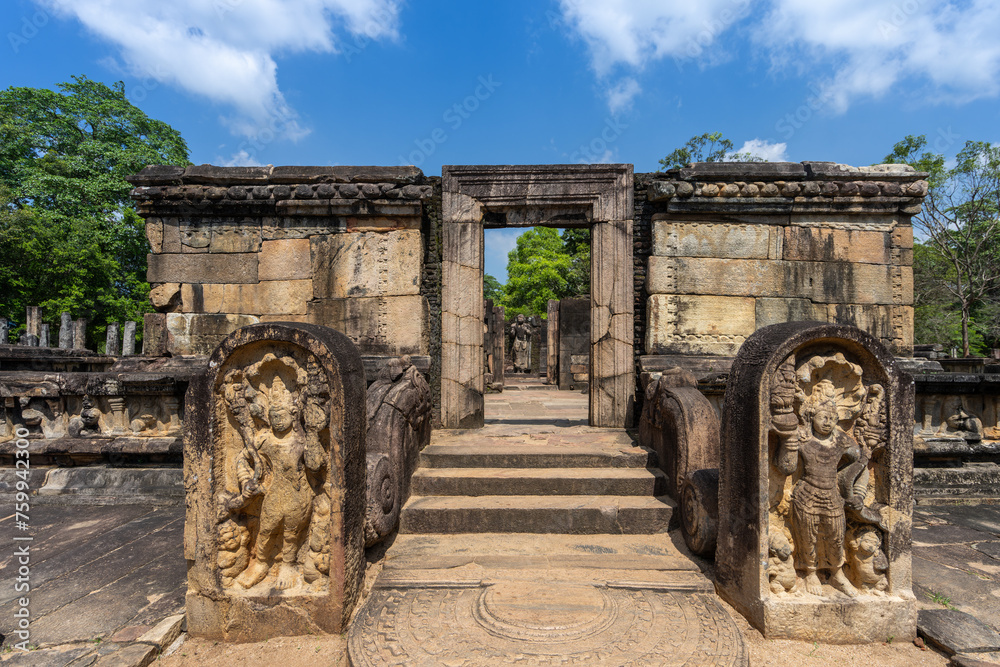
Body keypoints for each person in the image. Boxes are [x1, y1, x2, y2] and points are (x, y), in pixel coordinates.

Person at [775, 379, 858, 597]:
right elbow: (786, 467)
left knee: (836, 535)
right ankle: (810, 572)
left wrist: (854, 489)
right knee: (807, 535)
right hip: (807, 494)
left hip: (832, 494)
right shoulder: (802, 438)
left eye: (832, 418)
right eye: (823, 417)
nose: (828, 422)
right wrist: (788, 446)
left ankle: (837, 573)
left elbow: (859, 460)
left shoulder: (842, 440)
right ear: (811, 418)